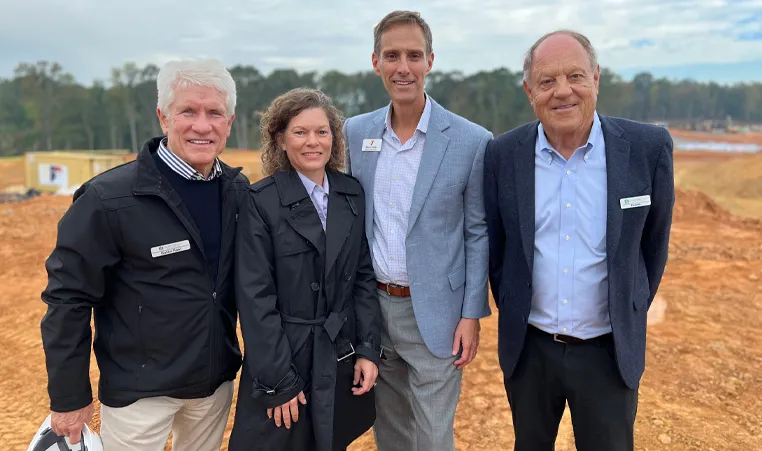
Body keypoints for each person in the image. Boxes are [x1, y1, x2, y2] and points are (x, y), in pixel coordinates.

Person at [39, 58, 248, 450]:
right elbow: (68, 298)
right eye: (188, 111)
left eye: (214, 113)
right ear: (163, 117)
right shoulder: (107, 199)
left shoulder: (238, 192)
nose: (202, 125)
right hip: (140, 396)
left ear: (229, 122)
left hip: (213, 385)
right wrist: (69, 397)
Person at [484, 30, 675, 451]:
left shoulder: (647, 148)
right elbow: (498, 252)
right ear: (529, 90)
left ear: (596, 78)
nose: (562, 91)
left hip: (609, 353)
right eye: (547, 81)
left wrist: (631, 304)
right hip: (530, 353)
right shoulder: (502, 154)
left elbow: (652, 246)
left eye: (575, 76)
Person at [343, 10, 492, 451]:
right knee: (388, 426)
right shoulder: (355, 133)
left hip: (437, 313)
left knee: (431, 433)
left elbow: (477, 232)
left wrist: (471, 314)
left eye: (413, 55)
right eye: (392, 55)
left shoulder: (471, 140)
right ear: (376, 62)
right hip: (374, 308)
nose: (402, 67)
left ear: (430, 60)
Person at [228, 88, 382, 451]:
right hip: (285, 356)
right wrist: (278, 380)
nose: (313, 142)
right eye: (300, 132)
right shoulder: (260, 200)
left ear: (334, 138)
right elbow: (255, 297)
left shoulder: (351, 193)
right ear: (280, 140)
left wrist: (367, 349)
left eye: (322, 131)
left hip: (337, 351)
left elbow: (362, 277)